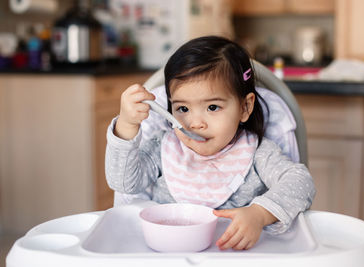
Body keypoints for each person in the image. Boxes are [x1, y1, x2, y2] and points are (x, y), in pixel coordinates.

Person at [105, 36, 315, 251]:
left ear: (245, 107)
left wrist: (259, 214)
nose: (196, 123)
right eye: (183, 109)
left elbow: (301, 182)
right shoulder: (162, 147)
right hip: (169, 255)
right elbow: (123, 183)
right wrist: (127, 126)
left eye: (213, 107)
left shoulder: (258, 152)